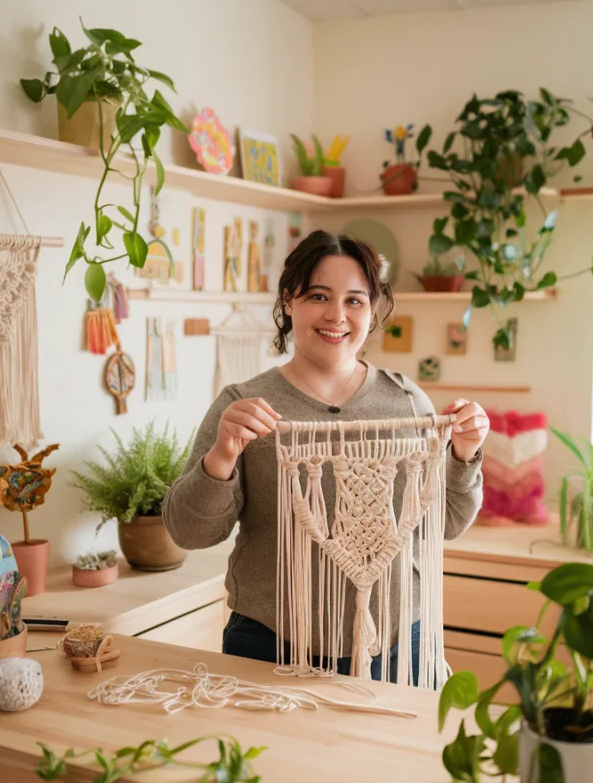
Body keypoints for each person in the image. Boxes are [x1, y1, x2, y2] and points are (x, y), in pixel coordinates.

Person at [163, 230, 488, 684]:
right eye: (319, 295)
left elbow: (448, 523)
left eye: (355, 300)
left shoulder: (409, 403)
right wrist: (221, 456)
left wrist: (464, 455)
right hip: (269, 642)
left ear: (372, 310)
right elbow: (188, 532)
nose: (337, 315)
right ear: (289, 301)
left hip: (399, 645)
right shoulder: (242, 405)